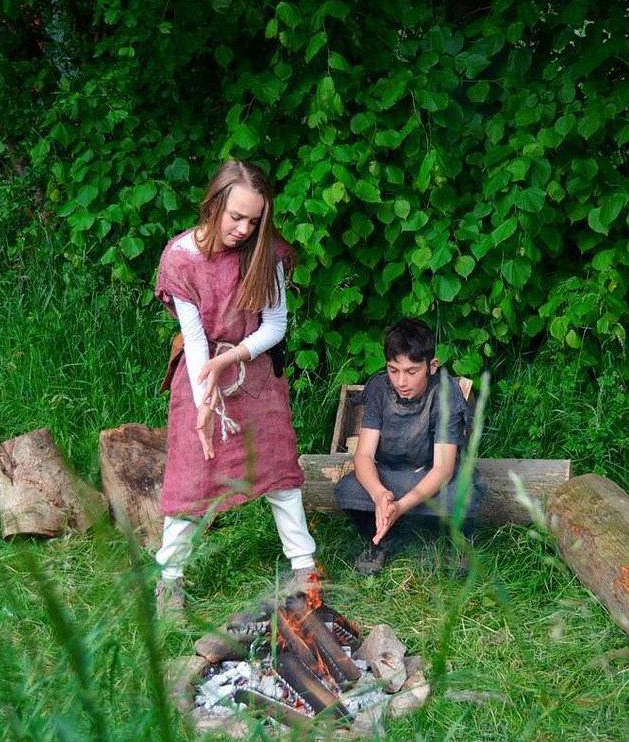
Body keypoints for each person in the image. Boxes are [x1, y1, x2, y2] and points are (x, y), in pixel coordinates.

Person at [153, 159, 316, 613]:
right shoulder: (180, 257)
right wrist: (205, 401)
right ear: (214, 203)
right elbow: (194, 337)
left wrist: (233, 356)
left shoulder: (268, 252)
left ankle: (304, 567)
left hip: (253, 371)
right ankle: (170, 580)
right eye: (236, 217)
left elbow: (276, 324)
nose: (244, 228)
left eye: (254, 219)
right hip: (200, 371)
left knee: (280, 471)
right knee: (191, 474)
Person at [334, 318, 484, 575]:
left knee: (465, 495)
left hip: (432, 476)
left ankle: (452, 541)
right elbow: (364, 455)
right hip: (390, 476)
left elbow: (443, 469)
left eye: (411, 371)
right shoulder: (380, 388)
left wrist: (401, 506)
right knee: (347, 490)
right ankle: (381, 539)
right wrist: (380, 494)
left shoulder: (445, 393)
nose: (401, 381)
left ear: (432, 366)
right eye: (394, 370)